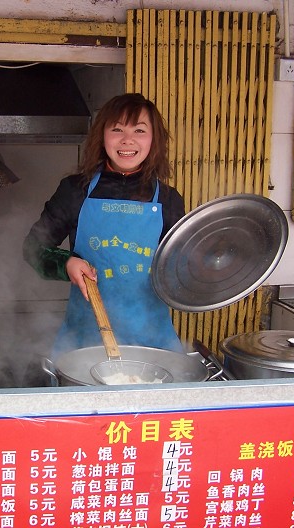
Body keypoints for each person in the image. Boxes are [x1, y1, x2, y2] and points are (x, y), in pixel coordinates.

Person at [23, 93, 186, 358]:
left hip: (152, 339)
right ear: (103, 136)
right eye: (117, 129)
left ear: (153, 139)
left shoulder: (168, 199)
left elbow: (181, 268)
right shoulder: (75, 190)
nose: (127, 140)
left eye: (139, 130)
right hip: (84, 338)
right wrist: (67, 263)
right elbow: (32, 248)